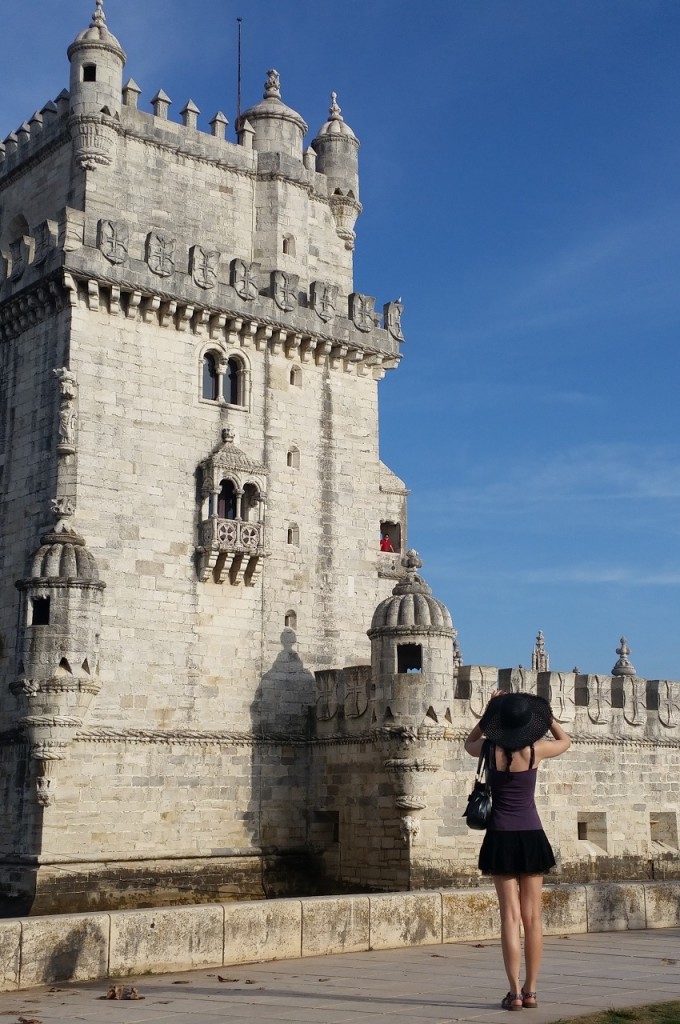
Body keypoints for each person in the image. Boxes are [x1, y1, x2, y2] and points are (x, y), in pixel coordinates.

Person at [464, 690, 570, 1011]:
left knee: (510, 917)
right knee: (533, 917)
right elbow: (565, 740)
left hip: (500, 836)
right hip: (531, 835)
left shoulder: (488, 749)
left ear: (500, 722)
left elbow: (468, 742)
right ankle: (532, 990)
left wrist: (488, 713)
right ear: (527, 723)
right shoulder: (536, 750)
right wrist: (544, 716)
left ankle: (514, 993)